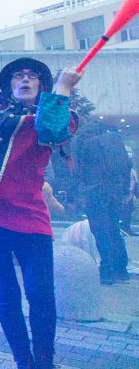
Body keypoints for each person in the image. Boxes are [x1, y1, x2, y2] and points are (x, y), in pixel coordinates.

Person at [0, 19, 81, 369]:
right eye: (18, 76)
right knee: (7, 295)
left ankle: (45, 362)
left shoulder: (59, 114)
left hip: (30, 219)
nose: (24, 80)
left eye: (32, 76)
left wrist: (63, 88)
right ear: (9, 84)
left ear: (42, 86)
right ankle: (24, 362)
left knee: (41, 295)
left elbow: (52, 132)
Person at [73, 121, 131, 285]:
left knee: (101, 231)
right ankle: (121, 270)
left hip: (96, 191)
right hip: (116, 191)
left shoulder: (83, 142)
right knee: (114, 229)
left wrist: (75, 195)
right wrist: (125, 190)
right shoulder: (113, 141)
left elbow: (78, 171)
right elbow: (126, 167)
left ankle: (107, 272)